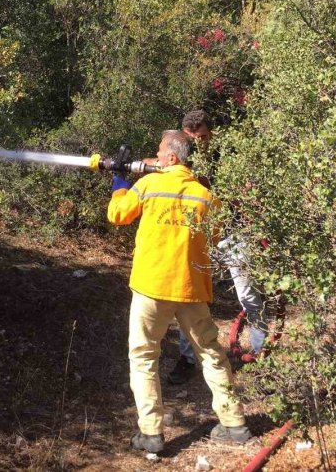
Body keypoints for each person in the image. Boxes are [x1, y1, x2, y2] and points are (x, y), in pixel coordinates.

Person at [108, 130, 252, 453]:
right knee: (212, 354)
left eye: (159, 153)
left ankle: (151, 433)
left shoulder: (148, 186)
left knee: (144, 356)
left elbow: (117, 215)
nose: (156, 157)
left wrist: (119, 181)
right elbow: (214, 237)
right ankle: (234, 423)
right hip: (190, 290)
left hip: (151, 287)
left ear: (172, 157)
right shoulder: (205, 196)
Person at [168, 109, 268, 385]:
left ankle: (262, 354)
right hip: (198, 234)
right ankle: (188, 358)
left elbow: (245, 190)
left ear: (210, 134)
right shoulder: (178, 158)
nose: (196, 143)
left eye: (200, 137)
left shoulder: (227, 155)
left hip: (232, 234)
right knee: (188, 297)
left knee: (248, 295)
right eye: (190, 137)